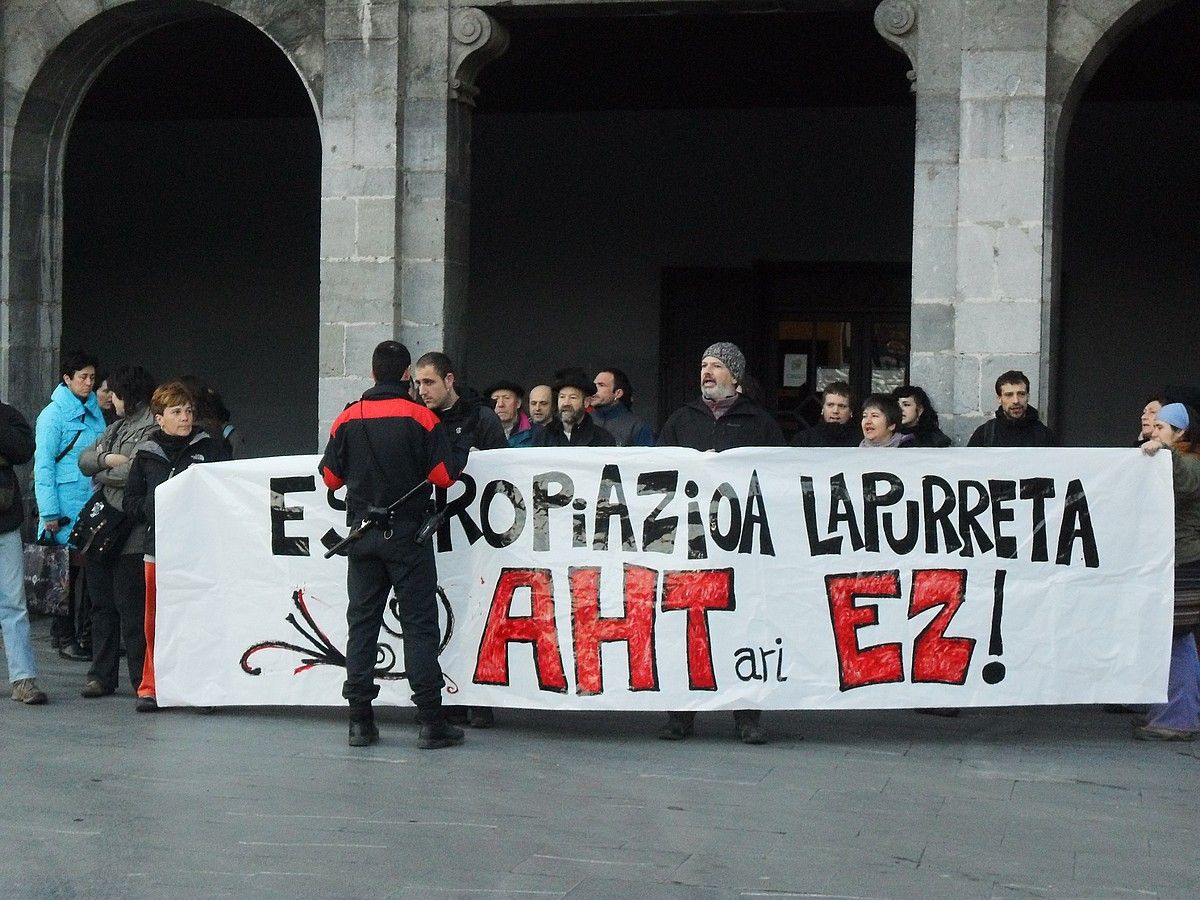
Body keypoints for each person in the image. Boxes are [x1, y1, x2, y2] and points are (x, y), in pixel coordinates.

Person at [320, 341, 463, 750]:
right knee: (418, 625)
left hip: (362, 536)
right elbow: (443, 476)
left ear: (372, 373)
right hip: (408, 536)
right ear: (406, 375)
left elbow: (330, 478)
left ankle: (360, 722)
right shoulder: (421, 417)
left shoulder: (348, 417)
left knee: (361, 624)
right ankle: (431, 721)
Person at [657, 342, 784, 744]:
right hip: (691, 542)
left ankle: (747, 716)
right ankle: (682, 714)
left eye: (715, 365)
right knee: (687, 626)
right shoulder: (681, 419)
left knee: (745, 625)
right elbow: (659, 470)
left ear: (735, 376)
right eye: (703, 364)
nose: (706, 371)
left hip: (742, 545)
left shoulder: (760, 423)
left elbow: (778, 477)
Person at [415, 352, 506, 728]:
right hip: (433, 534)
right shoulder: (416, 418)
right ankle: (449, 697)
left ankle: (480, 699)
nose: (422, 391)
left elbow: (503, 469)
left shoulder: (480, 417)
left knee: (476, 610)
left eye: (429, 383)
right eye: (417, 384)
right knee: (438, 614)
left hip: (475, 537)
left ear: (449, 380)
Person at [123, 382, 226, 712]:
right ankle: (151, 687)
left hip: (197, 550)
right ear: (159, 418)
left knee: (196, 620)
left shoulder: (210, 448)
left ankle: (199, 689)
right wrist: (156, 508)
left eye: (189, 411)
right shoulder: (146, 454)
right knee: (155, 622)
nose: (185, 417)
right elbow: (130, 501)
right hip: (158, 548)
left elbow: (223, 490)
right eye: (177, 412)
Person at [75, 366, 157, 700]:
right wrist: (109, 459)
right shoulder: (116, 428)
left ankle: (141, 678)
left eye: (115, 394)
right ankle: (101, 675)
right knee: (101, 604)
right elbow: (83, 460)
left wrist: (102, 470)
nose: (109, 399)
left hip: (132, 530)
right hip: (104, 527)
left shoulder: (151, 427)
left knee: (131, 608)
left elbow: (134, 473)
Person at [34, 349, 107, 661]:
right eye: (83, 377)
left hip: (89, 502)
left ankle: (76, 635)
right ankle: (65, 637)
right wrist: (49, 511)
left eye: (92, 377)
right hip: (63, 507)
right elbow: (44, 465)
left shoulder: (93, 411)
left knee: (86, 571)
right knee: (64, 576)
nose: (89, 383)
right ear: (67, 379)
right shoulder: (52, 415)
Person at [1137, 402, 1200, 740]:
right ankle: (1170, 712)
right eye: (1155, 426)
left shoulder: (1189, 462)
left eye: (1163, 428)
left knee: (1177, 638)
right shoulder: (1167, 458)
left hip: (1184, 562)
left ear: (1180, 433)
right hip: (1171, 561)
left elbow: (1186, 482)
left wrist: (1164, 451)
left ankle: (1178, 718)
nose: (1155, 431)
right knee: (1170, 638)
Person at [1, 397, 47, 704]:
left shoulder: (8, 414)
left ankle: (23, 680)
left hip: (5, 522)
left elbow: (22, 451)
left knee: (13, 603)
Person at [967, 370, 1057, 447]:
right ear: (999, 399)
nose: (1016, 401)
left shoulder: (1045, 435)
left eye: (1021, 394)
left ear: (1028, 397)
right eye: (1009, 395)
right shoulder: (984, 435)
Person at [533, 369, 616, 448]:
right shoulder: (542, 437)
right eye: (562, 397)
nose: (566, 403)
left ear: (586, 402)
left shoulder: (603, 439)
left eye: (573, 397)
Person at [590, 368, 655, 446]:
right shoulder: (584, 420)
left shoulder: (637, 427)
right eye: (594, 385)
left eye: (601, 385)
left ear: (618, 393)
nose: (593, 389)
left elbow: (649, 457)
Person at [792, 382, 859, 448]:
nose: (835, 411)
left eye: (841, 406)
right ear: (823, 409)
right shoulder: (803, 440)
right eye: (830, 405)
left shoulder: (861, 441)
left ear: (851, 411)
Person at [487, 380, 534, 448]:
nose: (500, 404)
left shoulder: (536, 433)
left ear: (518, 403)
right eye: (495, 399)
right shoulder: (481, 434)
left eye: (506, 398)